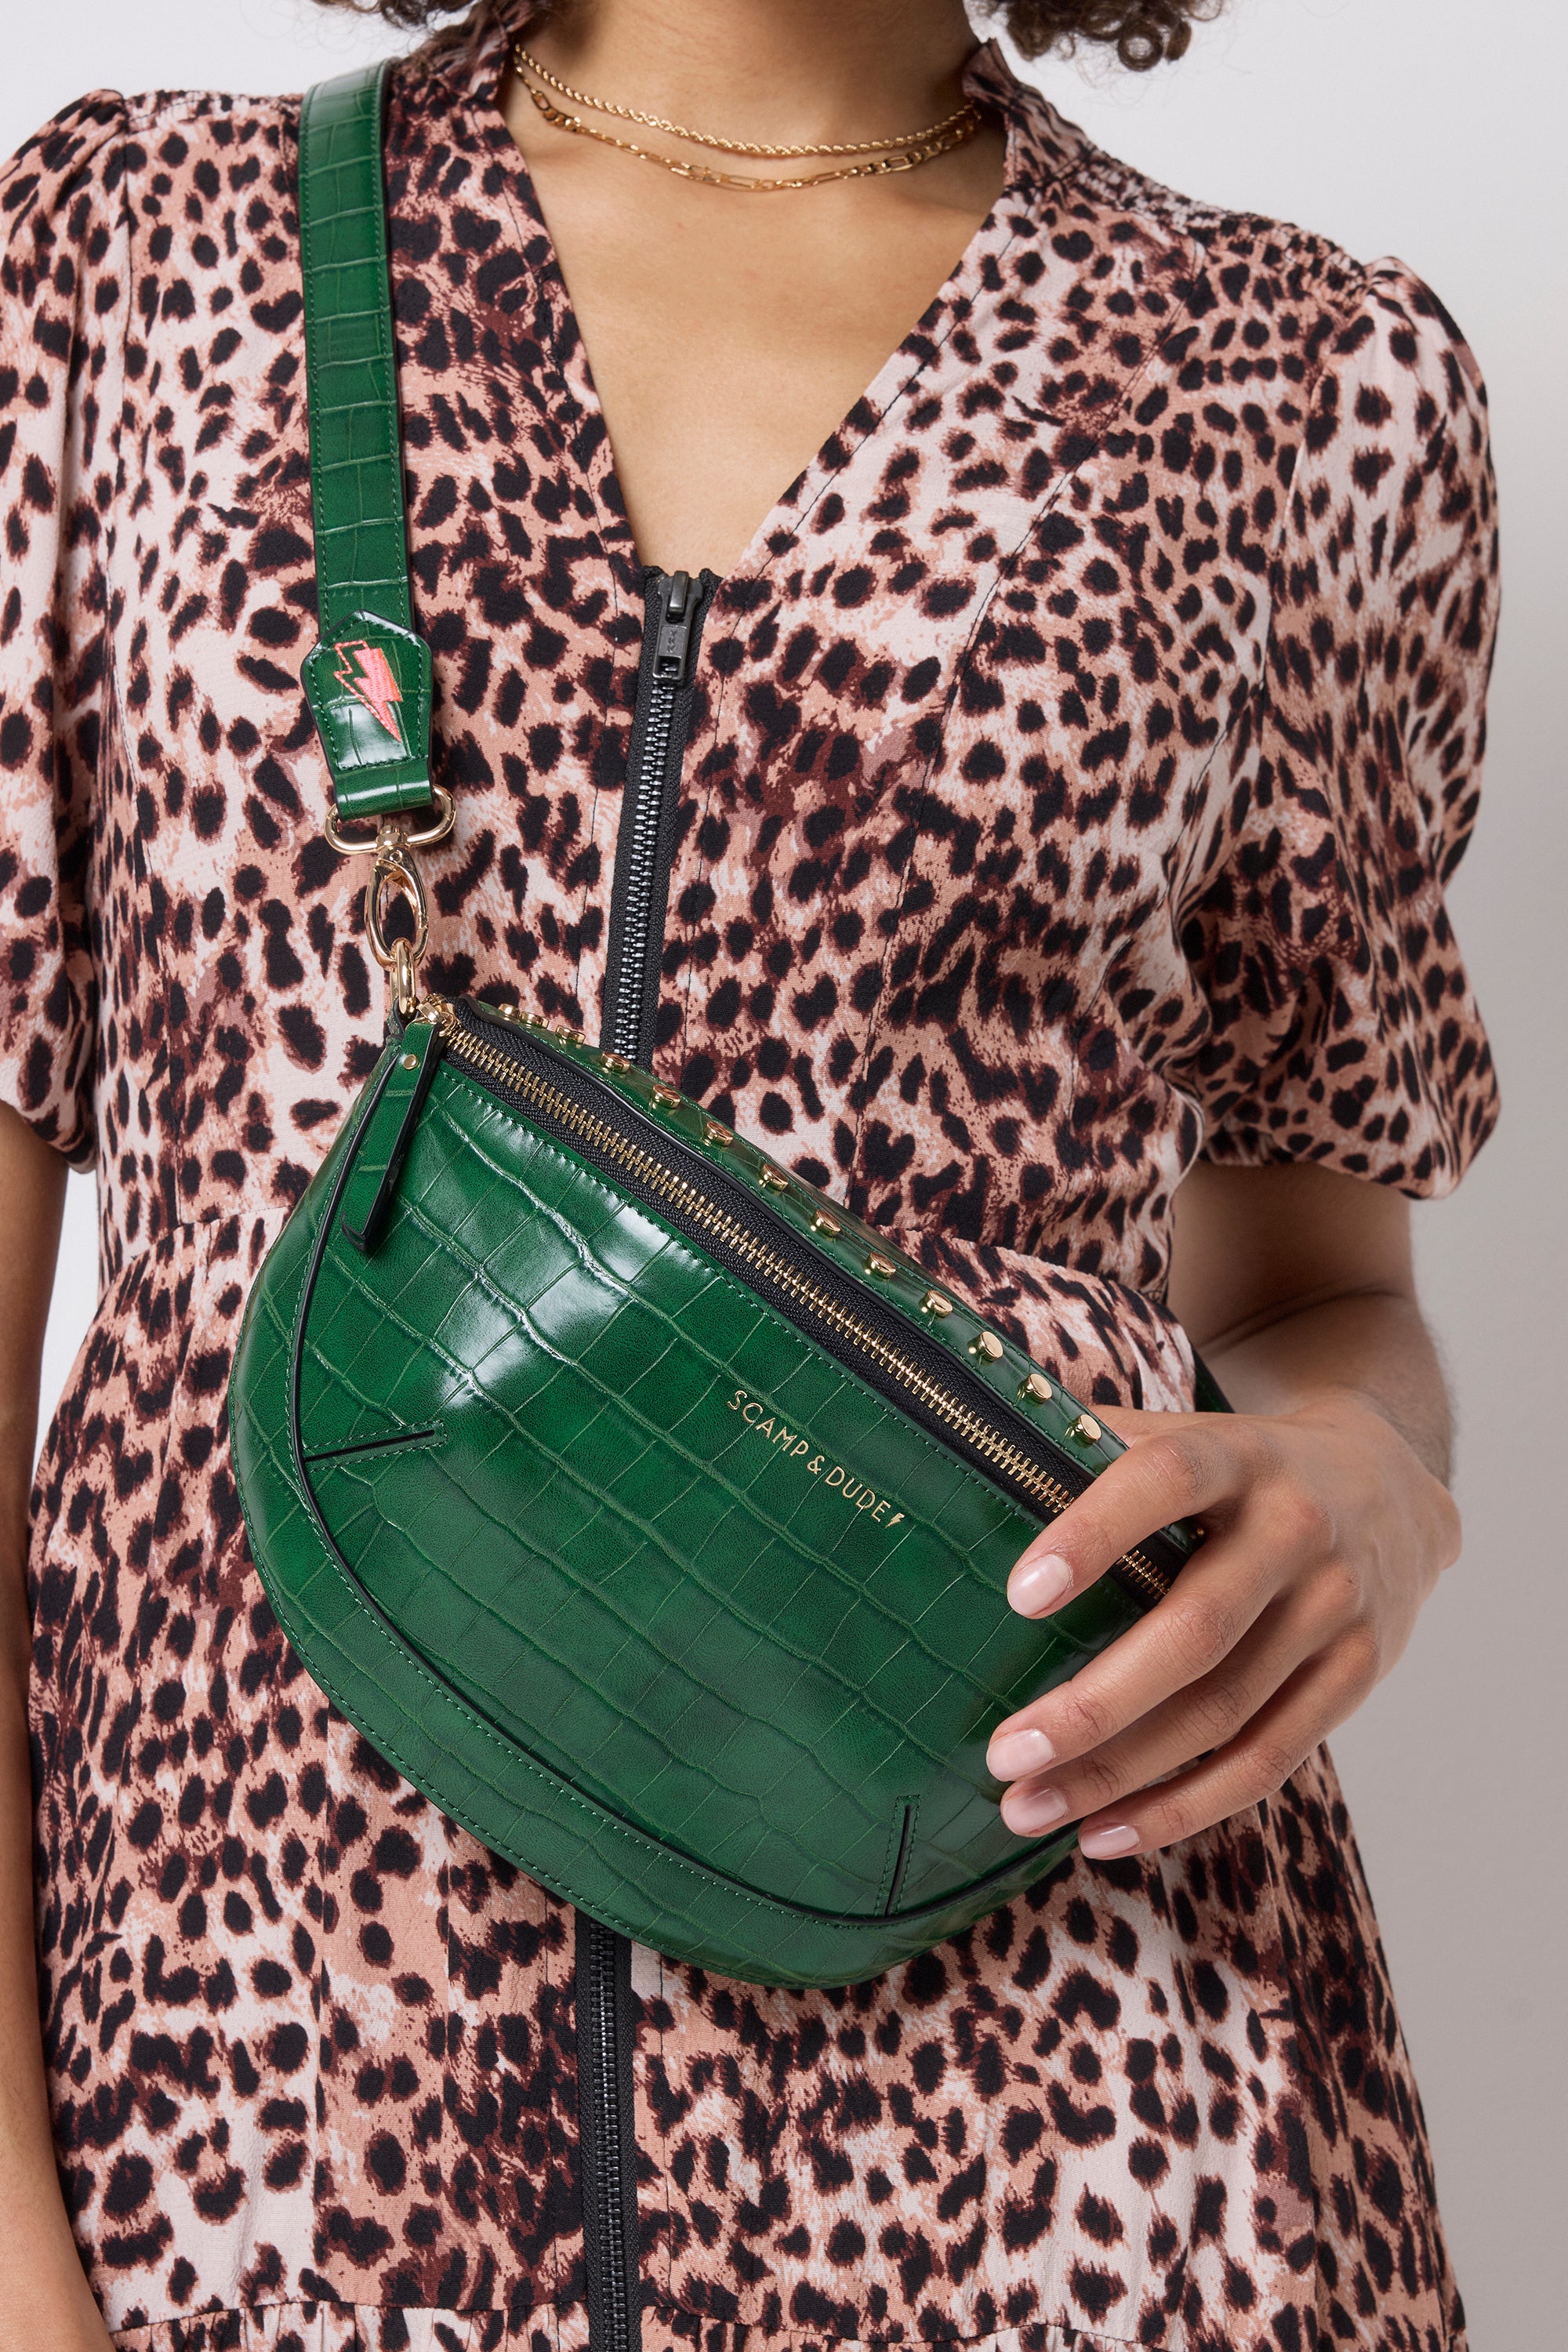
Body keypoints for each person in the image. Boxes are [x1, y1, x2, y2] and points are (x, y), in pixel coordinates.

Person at [0, 0, 1497, 2344]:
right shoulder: (132, 251)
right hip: (260, 2080)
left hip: (1078, 2075)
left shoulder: (1308, 381)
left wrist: (1372, 1482)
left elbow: (1322, 1282)